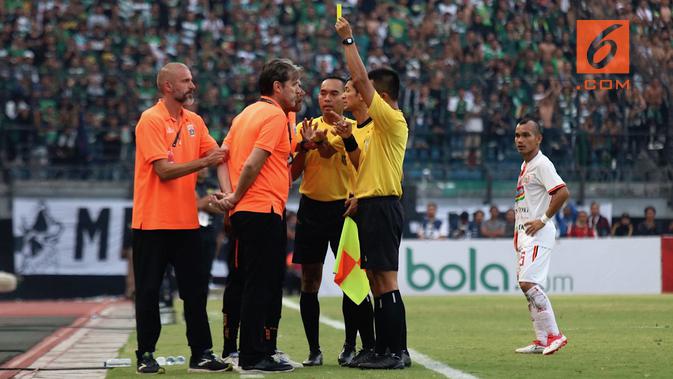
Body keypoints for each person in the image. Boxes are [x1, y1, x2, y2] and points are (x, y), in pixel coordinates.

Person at [131, 62, 230, 374]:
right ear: (168, 87)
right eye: (186, 81)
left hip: (186, 222)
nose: (193, 85)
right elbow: (163, 171)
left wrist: (230, 194)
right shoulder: (150, 120)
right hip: (152, 222)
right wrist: (203, 161)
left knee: (195, 291)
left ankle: (201, 353)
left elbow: (221, 156)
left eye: (192, 80)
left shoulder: (194, 121)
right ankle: (145, 354)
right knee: (148, 291)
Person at [213, 58, 300, 373]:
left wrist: (229, 197)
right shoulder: (275, 116)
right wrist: (234, 196)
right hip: (263, 210)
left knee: (250, 282)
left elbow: (221, 158)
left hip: (246, 212)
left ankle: (250, 350)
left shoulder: (244, 115)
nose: (297, 90)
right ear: (278, 87)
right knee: (260, 284)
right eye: (294, 84)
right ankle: (253, 354)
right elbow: (253, 163)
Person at [333, 16, 410, 369]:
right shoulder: (378, 128)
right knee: (378, 280)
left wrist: (349, 40)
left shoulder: (392, 119)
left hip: (383, 206)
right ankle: (384, 349)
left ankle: (396, 352)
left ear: (383, 96)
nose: (359, 93)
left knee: (386, 280)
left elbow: (362, 80)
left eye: (366, 91)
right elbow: (365, 166)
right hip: (370, 205)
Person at [289, 76, 376, 367]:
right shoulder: (304, 127)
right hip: (311, 209)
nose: (327, 98)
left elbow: (334, 153)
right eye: (323, 93)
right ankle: (314, 350)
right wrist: (303, 146)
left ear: (344, 99)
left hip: (344, 210)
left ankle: (350, 346)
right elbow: (293, 173)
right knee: (309, 280)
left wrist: (323, 143)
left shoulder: (352, 129)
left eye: (334, 93)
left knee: (351, 280)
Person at [512, 117, 570, 356]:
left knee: (529, 284)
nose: (520, 140)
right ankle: (542, 339)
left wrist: (543, 219)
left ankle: (556, 335)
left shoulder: (541, 164)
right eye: (517, 135)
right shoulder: (526, 165)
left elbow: (562, 192)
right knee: (526, 287)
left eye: (526, 135)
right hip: (525, 235)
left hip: (539, 233)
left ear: (538, 138)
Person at [195, 167, 224, 284]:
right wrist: (210, 199)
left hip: (211, 231)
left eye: (205, 166)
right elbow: (196, 205)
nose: (204, 169)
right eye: (200, 167)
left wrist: (203, 202)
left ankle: (204, 292)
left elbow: (221, 207)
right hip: (193, 232)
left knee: (207, 266)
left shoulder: (212, 183)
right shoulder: (189, 183)